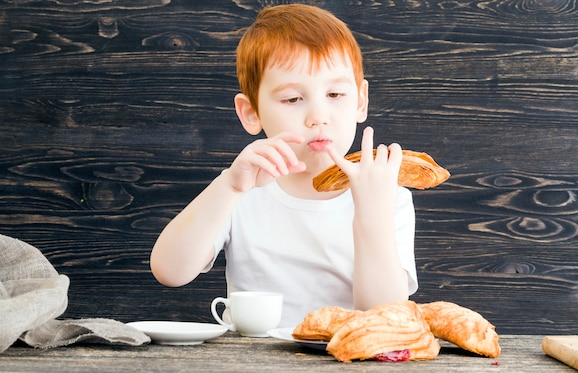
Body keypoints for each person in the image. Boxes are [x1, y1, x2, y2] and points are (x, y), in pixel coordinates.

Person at [150, 3, 418, 327]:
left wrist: (372, 214)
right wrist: (229, 186)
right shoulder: (242, 190)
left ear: (360, 101)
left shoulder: (387, 195)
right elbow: (169, 271)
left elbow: (384, 316)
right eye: (293, 99)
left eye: (335, 94)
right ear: (251, 113)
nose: (318, 116)